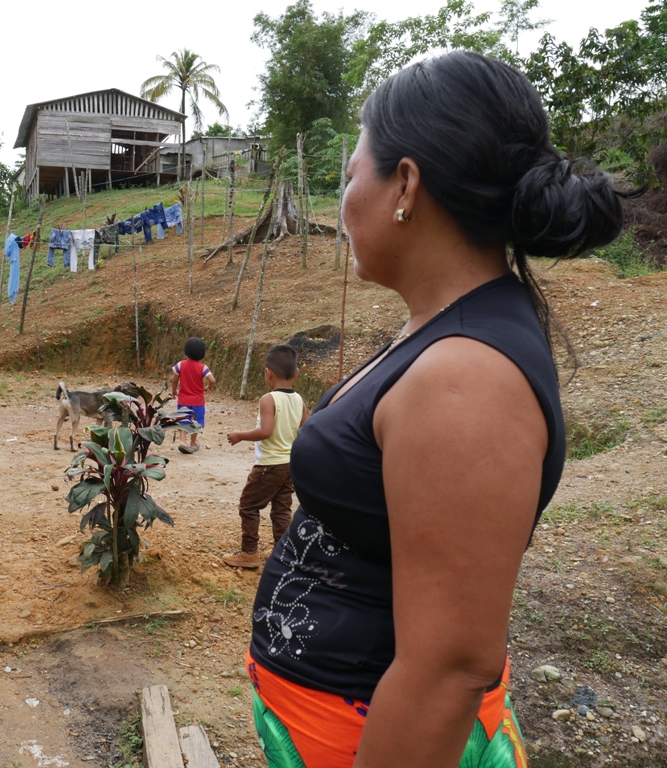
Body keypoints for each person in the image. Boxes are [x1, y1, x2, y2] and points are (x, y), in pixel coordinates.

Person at [245, 51, 625, 768]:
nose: (343, 199)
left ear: (406, 185)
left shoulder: (466, 378)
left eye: (350, 174)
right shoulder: (441, 331)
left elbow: (448, 668)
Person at [224, 344, 308, 569]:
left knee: (248, 505)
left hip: (269, 465)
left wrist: (240, 435)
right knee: (281, 510)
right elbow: (305, 429)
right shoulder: (299, 400)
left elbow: (266, 431)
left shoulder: (268, 399)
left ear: (268, 373)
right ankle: (283, 554)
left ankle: (249, 553)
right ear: (296, 374)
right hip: (289, 465)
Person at [171, 337, 215, 454]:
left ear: (186, 351)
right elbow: (212, 380)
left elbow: (174, 381)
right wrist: (209, 387)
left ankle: (182, 442)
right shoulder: (203, 367)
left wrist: (174, 392)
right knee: (196, 422)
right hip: (198, 401)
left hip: (183, 400)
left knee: (183, 420)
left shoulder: (180, 365)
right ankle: (192, 444)